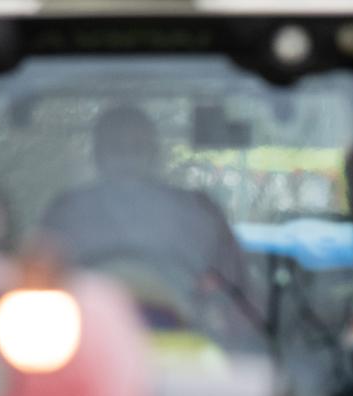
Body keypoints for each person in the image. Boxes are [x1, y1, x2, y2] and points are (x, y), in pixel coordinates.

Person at [38, 105, 263, 339]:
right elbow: (39, 290)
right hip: (84, 346)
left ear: (155, 153)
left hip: (190, 350)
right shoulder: (65, 214)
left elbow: (239, 299)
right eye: (116, 147)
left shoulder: (199, 213)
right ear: (97, 153)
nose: (127, 157)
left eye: (137, 147)